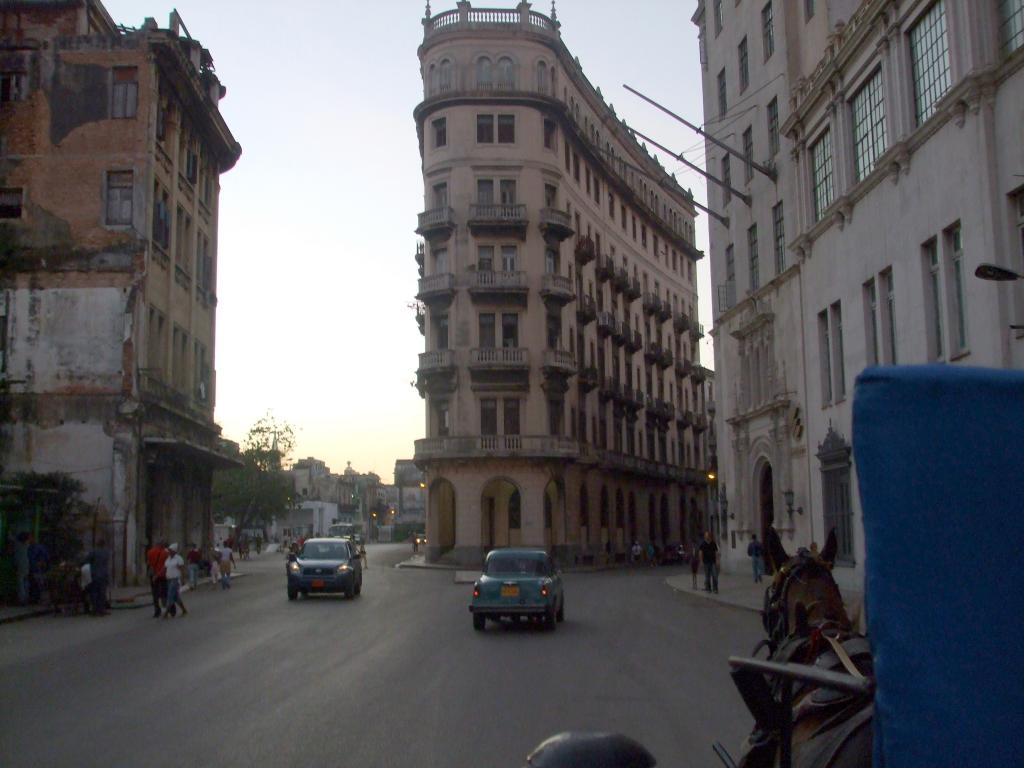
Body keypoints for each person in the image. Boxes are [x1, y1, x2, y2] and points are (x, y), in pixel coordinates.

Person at [85, 538, 111, 616]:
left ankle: (95, 610)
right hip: (104, 574)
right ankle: (102, 610)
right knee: (102, 593)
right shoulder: (106, 552)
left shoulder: (93, 552)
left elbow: (86, 560)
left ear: (97, 544)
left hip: (95, 575)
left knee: (94, 593)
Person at [162, 543, 187, 618]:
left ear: (174, 551)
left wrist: (183, 579)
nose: (169, 552)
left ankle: (166, 613)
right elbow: (165, 568)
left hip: (175, 579)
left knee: (170, 595)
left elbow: (182, 569)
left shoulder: (179, 559)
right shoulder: (168, 559)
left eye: (170, 550)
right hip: (169, 579)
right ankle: (184, 609)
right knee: (176, 597)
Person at [146, 541, 168, 618]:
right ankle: (166, 608)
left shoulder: (150, 552)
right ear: (162, 546)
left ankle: (157, 610)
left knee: (154, 593)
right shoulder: (165, 553)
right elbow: (166, 565)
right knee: (164, 592)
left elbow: (148, 563)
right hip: (162, 575)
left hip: (153, 575)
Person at [27, 535, 50, 604]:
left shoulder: (38, 548)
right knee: (34, 585)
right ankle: (35, 599)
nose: (29, 541)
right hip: (32, 569)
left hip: (37, 569)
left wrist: (41, 564)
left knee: (38, 584)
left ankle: (38, 599)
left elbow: (45, 558)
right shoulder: (30, 548)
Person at [14, 532, 30, 605]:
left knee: (20, 583)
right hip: (26, 564)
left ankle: (22, 599)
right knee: (25, 582)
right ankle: (26, 597)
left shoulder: (18, 545)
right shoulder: (26, 545)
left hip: (20, 565)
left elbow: (12, 538)